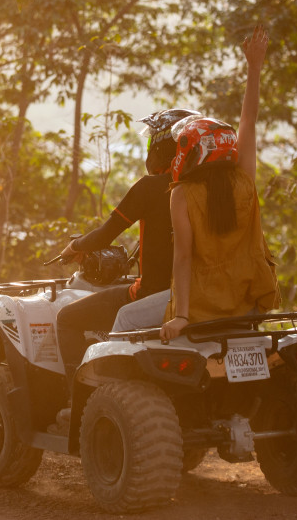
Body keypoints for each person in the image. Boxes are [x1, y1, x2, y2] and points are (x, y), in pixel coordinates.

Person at [112, 26, 280, 339]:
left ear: (193, 153)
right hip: (248, 300)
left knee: (124, 318)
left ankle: (115, 390)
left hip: (203, 304)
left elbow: (184, 258)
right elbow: (249, 120)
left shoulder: (182, 194)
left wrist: (183, 316)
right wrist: (254, 68)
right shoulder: (245, 181)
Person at [55, 107, 199, 387]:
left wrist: (75, 246)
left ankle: (78, 401)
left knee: (66, 318)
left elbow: (104, 235)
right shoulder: (203, 188)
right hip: (198, 293)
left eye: (151, 143)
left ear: (161, 147)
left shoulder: (152, 187)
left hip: (151, 294)